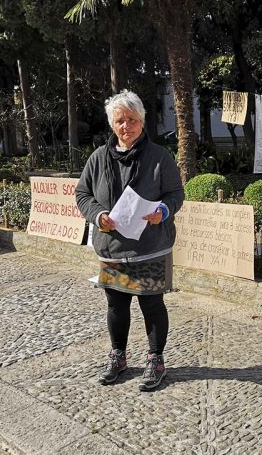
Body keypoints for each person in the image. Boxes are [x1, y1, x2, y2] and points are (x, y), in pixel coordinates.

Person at [75, 90, 184, 391]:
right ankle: (118, 356)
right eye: (120, 120)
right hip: (112, 246)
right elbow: (82, 194)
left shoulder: (160, 156)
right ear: (112, 125)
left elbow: (176, 194)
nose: (127, 126)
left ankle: (155, 359)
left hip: (150, 246)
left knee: (152, 305)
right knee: (116, 305)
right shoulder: (97, 158)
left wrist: (163, 210)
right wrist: (98, 215)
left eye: (132, 120)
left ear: (142, 121)